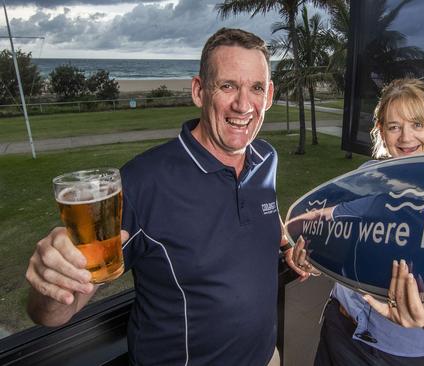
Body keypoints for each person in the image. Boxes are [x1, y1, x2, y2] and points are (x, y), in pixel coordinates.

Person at [25, 28, 289, 365]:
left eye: (255, 88)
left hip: (267, 358)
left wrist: (287, 245)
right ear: (198, 91)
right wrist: (51, 281)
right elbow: (54, 314)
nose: (242, 104)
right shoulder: (142, 183)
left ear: (268, 96)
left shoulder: (266, 157)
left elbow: (262, 212)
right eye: (227, 85)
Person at [300, 78, 424, 366]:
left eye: (417, 124)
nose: (405, 138)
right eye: (394, 126)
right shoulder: (367, 175)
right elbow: (337, 225)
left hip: (401, 353)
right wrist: (311, 253)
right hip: (340, 327)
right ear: (381, 130)